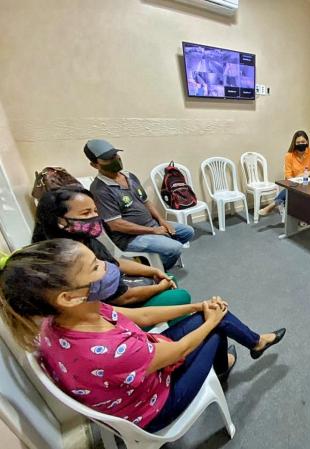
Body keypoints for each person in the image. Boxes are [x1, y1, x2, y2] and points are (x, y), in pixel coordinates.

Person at [0, 239, 286, 431]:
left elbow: (143, 316)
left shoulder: (67, 314)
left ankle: (254, 342)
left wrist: (199, 307)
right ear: (68, 296)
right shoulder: (108, 350)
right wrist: (210, 321)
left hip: (138, 377)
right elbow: (180, 352)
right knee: (214, 329)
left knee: (209, 316)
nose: (108, 267)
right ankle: (232, 361)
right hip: (153, 408)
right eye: (96, 267)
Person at [32, 186, 190, 315]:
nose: (95, 217)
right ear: (59, 220)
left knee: (167, 278)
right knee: (179, 295)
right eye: (86, 213)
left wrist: (153, 271)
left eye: (95, 211)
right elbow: (123, 299)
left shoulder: (84, 239)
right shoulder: (65, 260)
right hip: (108, 311)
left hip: (118, 293)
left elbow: (113, 262)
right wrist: (159, 287)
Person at [84, 139, 194, 270]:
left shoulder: (129, 176)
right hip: (130, 237)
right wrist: (153, 231)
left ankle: (154, 258)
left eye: (115, 155)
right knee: (174, 248)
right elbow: (115, 225)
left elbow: (146, 202)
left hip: (151, 225)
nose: (115, 159)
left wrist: (161, 221)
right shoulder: (100, 190)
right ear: (94, 165)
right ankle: (153, 271)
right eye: (108, 158)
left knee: (188, 232)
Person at [258, 130, 310, 216]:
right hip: (295, 183)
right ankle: (299, 216)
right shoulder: (289, 155)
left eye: (303, 142)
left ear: (307, 142)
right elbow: (288, 175)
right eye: (298, 142)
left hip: (309, 182)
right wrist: (297, 179)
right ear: (295, 143)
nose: (301, 144)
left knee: (293, 192)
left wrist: (305, 174)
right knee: (292, 191)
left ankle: (272, 205)